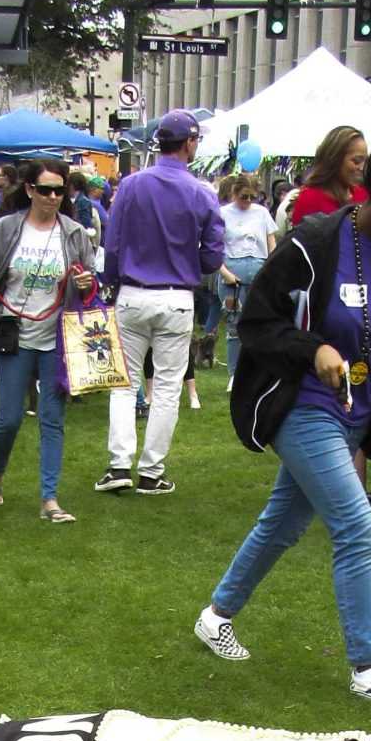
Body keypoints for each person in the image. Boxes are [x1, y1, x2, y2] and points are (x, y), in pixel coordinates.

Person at [195, 132, 371, 707]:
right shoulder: (317, 241)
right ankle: (367, 667)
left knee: (283, 522)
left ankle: (216, 615)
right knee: (356, 527)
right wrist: (313, 349)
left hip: (358, 413)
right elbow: (256, 321)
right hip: (303, 408)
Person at [95, 108, 224, 496]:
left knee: (124, 383)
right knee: (167, 387)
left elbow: (112, 244)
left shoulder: (132, 185)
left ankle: (119, 465)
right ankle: (152, 471)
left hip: (133, 293)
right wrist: (189, 262)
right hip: (177, 297)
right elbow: (213, 257)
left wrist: (111, 282)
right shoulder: (202, 192)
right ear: (189, 143)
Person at [0, 158, 97, 522]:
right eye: (45, 190)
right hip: (13, 333)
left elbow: (89, 278)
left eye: (60, 189)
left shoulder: (73, 232)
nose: (53, 196)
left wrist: (87, 283)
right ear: (29, 190)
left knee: (52, 419)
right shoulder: (8, 228)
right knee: (8, 419)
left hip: (57, 337)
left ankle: (49, 500)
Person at [218, 173, 274, 387]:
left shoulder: (261, 213)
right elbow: (213, 248)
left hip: (259, 272)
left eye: (253, 197)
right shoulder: (222, 214)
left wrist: (272, 269)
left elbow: (271, 243)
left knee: (260, 323)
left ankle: (257, 373)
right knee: (234, 325)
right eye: (244, 196)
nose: (248, 201)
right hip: (232, 275)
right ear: (234, 193)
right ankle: (234, 374)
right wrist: (225, 273)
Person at [290, 125, 368, 224]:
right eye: (356, 161)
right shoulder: (309, 199)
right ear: (335, 159)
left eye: (365, 161)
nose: (362, 168)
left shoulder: (364, 196)